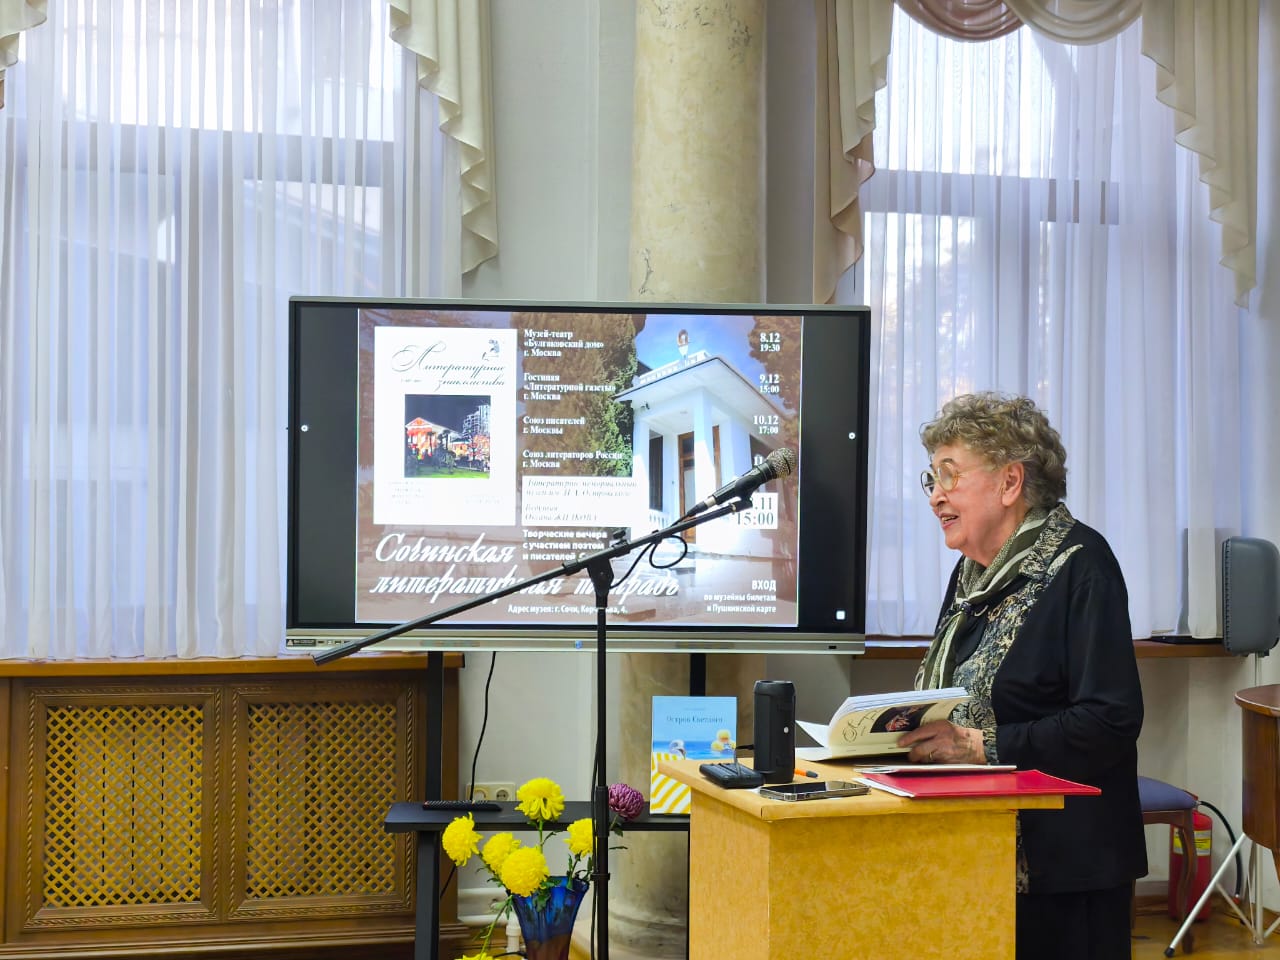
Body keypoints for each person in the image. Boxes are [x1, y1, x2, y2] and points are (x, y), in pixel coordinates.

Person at [897, 392, 1147, 960]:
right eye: (932, 478)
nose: (935, 496)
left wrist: (979, 745)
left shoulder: (1082, 565)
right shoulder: (972, 576)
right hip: (973, 851)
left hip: (1063, 871)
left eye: (950, 475)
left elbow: (1109, 721)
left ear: (1010, 482)